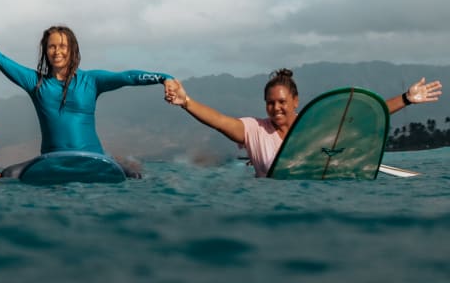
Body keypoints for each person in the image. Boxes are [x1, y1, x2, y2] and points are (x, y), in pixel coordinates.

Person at [0, 14, 173, 157]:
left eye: (62, 46)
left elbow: (127, 77)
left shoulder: (91, 80)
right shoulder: (36, 84)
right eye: (51, 46)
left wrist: (164, 77)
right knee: (7, 175)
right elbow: (0, 59)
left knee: (133, 175)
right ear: (46, 52)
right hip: (53, 161)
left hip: (92, 159)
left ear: (72, 49)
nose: (57, 51)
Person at [164, 70, 442, 177]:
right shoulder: (254, 130)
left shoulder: (316, 127)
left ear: (296, 101)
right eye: (271, 103)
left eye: (282, 102)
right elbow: (220, 121)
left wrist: (407, 98)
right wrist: (186, 102)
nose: (276, 108)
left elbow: (363, 119)